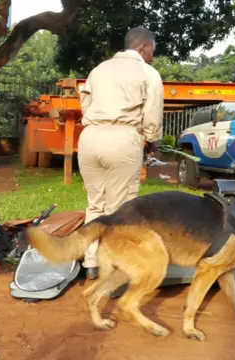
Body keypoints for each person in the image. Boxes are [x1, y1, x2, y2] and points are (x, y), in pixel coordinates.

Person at [77, 27, 164, 279]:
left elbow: (85, 103)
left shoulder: (99, 69)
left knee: (95, 204)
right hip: (122, 137)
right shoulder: (147, 72)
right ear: (142, 47)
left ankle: (91, 264)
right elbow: (153, 114)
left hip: (90, 137)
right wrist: (151, 141)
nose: (152, 56)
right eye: (152, 50)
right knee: (120, 209)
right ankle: (112, 270)